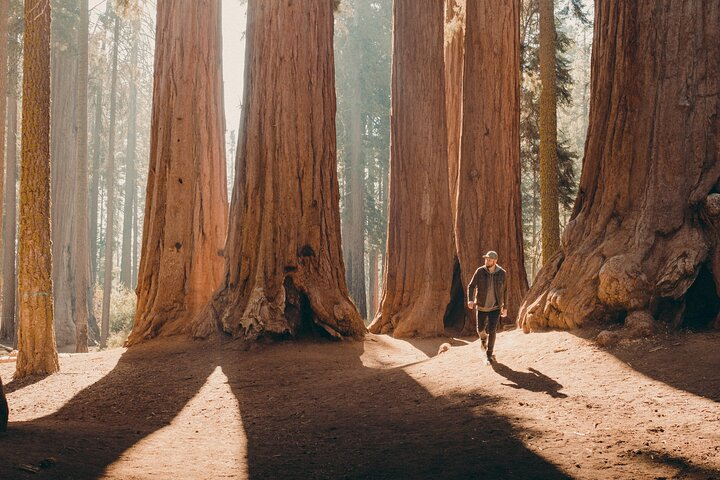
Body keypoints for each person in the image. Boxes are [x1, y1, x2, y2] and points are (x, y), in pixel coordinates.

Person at [467, 251, 508, 364]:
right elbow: (471, 286)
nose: (486, 261)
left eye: (489, 260)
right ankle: (483, 339)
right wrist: (470, 299)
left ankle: (489, 354)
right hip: (481, 306)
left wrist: (505, 307)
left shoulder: (502, 273)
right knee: (480, 329)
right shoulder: (480, 271)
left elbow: (505, 291)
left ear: (495, 261)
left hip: (495, 307)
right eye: (486, 259)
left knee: (492, 330)